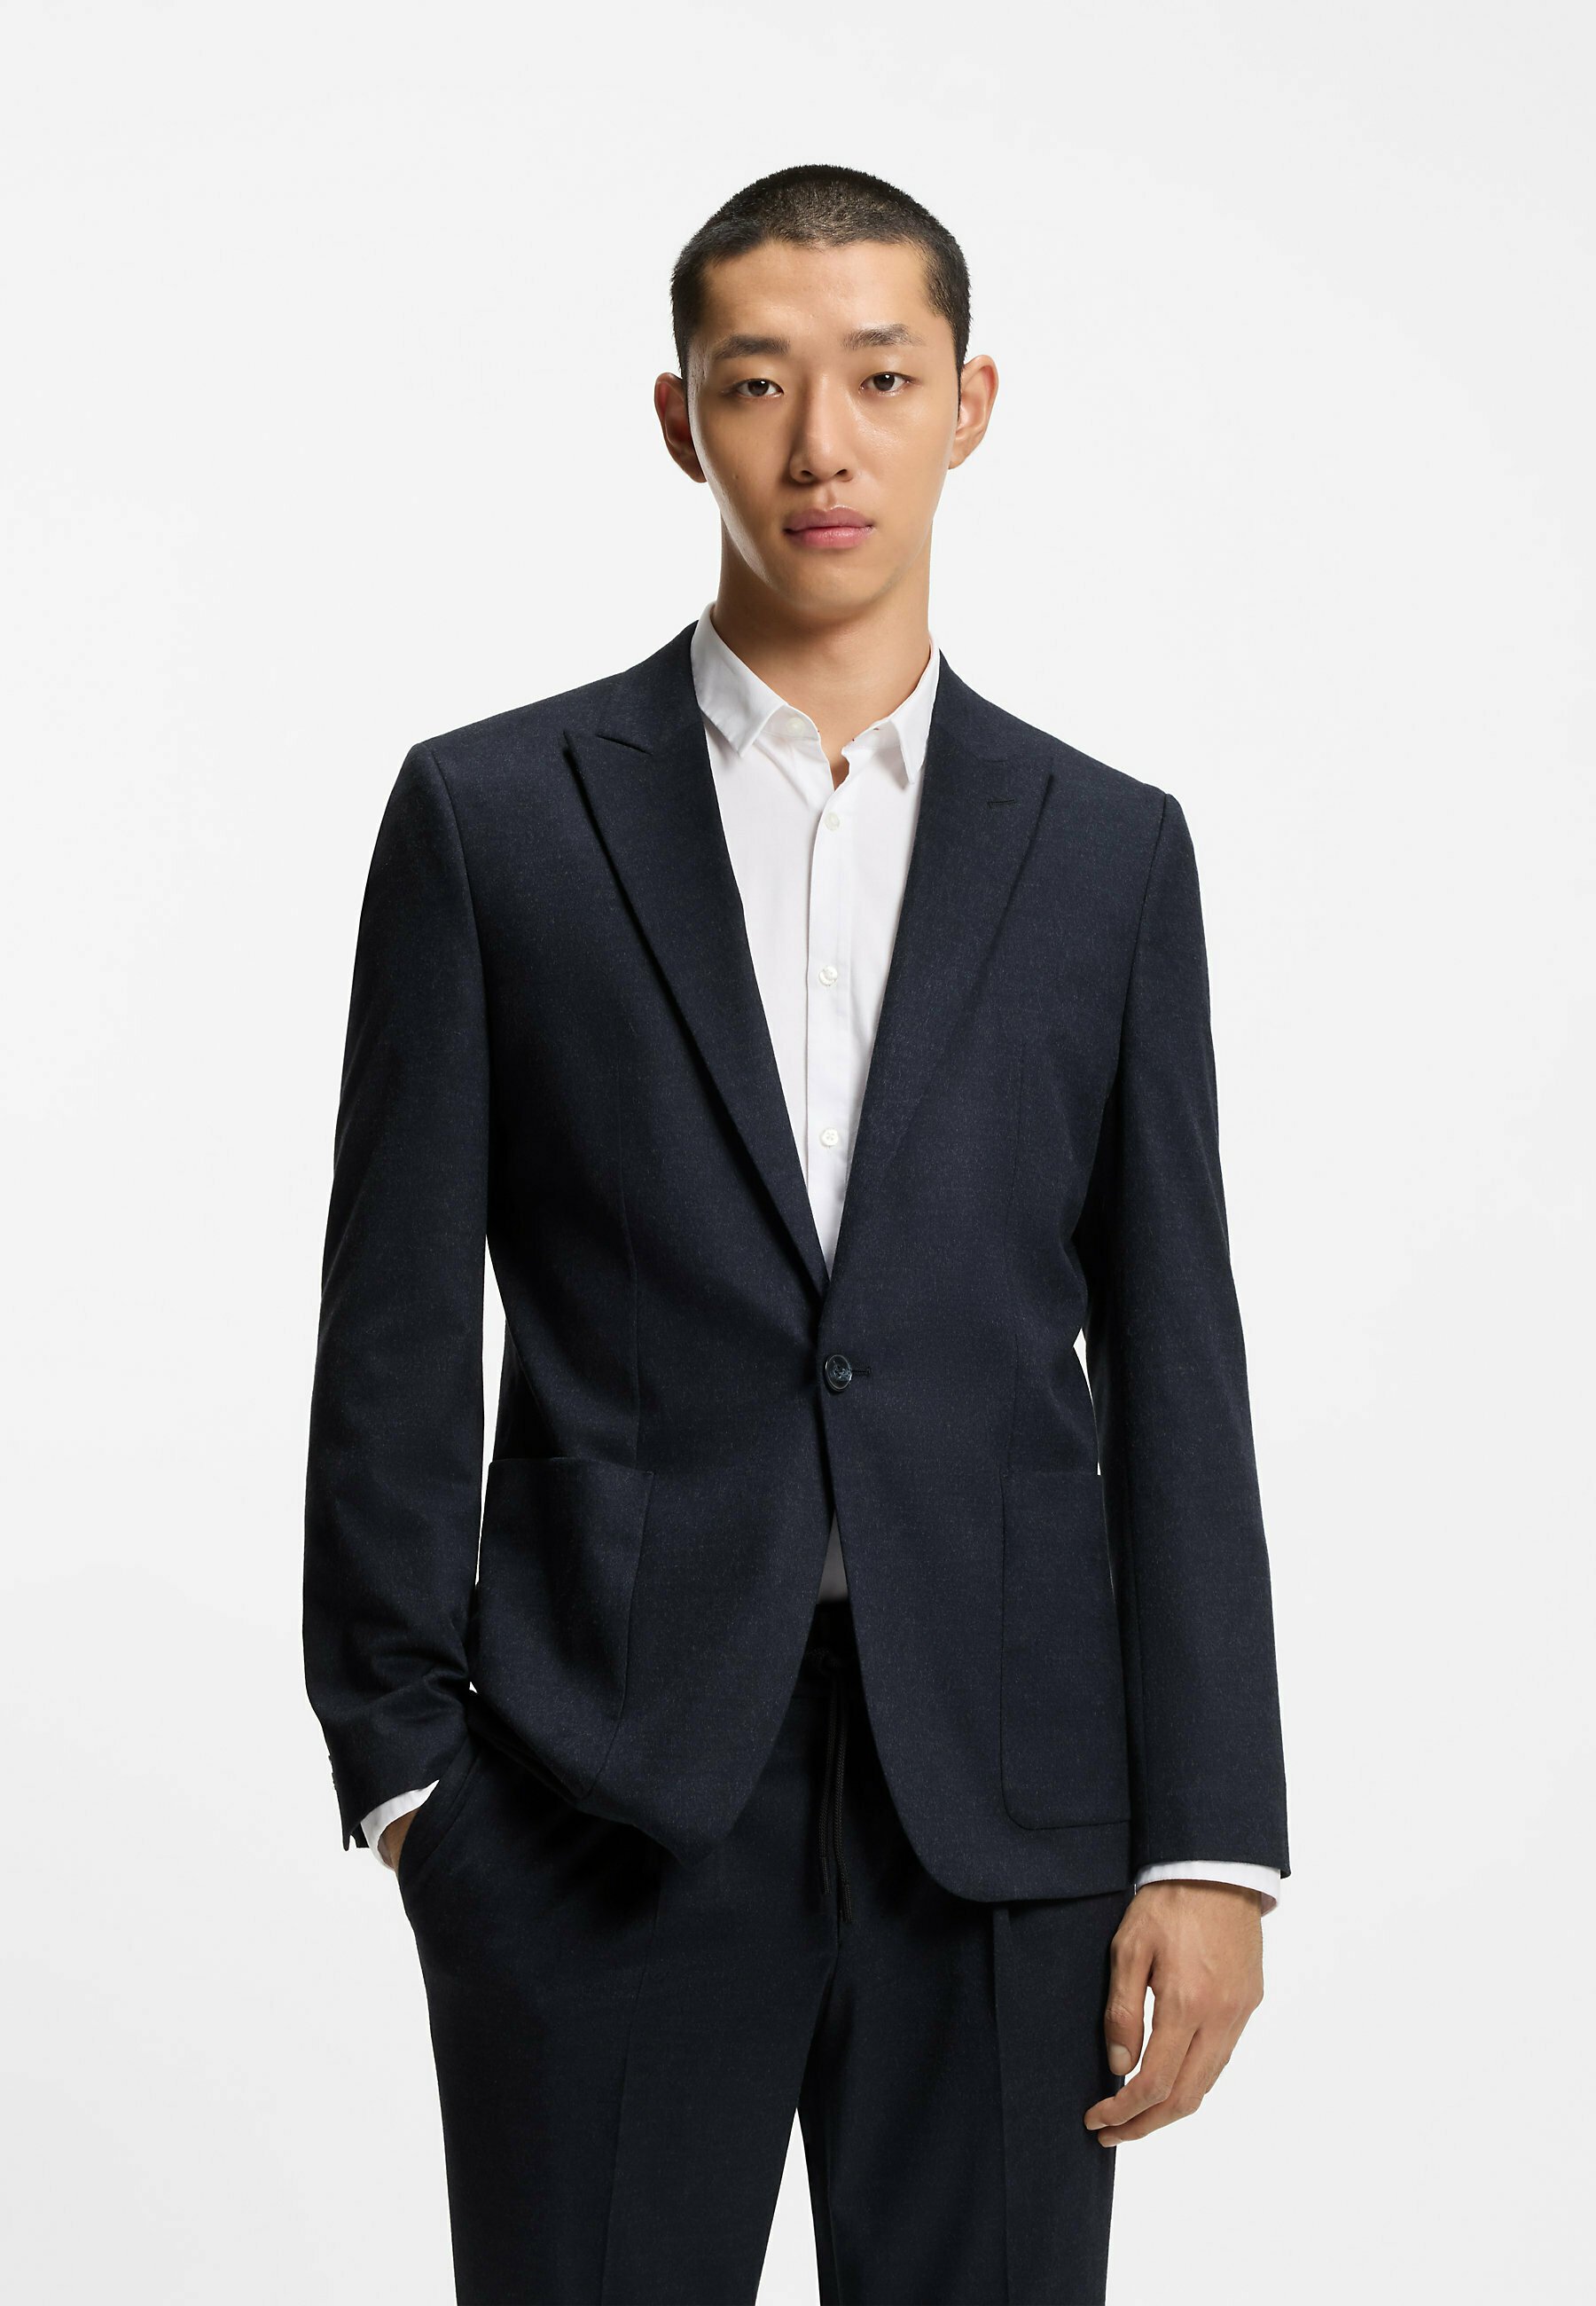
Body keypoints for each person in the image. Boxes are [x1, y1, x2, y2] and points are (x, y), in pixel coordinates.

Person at [302, 161, 1290, 2305]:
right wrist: (411, 1779)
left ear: (971, 404)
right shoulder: (495, 819)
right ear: (683, 421)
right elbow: (392, 1324)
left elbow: (1175, 1354)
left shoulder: (1108, 855)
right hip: (596, 1795)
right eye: (757, 385)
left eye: (881, 379)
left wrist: (1214, 1838)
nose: (821, 444)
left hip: (1010, 1818)